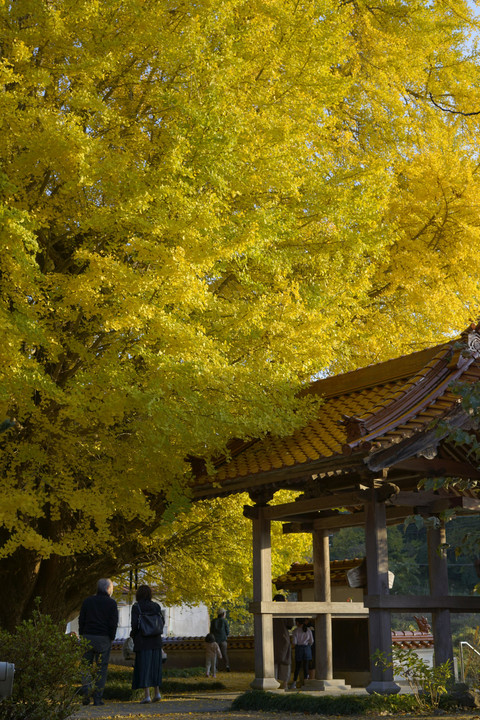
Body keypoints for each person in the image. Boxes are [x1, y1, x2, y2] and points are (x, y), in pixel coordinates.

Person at [79, 578, 118, 706]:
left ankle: (86, 691)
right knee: (101, 668)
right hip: (103, 638)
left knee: (85, 665)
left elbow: (81, 619)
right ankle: (97, 698)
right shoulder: (111, 604)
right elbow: (113, 623)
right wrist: (111, 637)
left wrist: (82, 634)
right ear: (108, 589)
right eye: (112, 588)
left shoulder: (87, 601)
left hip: (88, 636)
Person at [130, 584, 164, 703]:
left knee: (145, 667)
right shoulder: (156, 606)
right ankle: (157, 693)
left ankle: (147, 695)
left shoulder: (137, 607)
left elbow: (134, 624)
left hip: (143, 641)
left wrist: (132, 635)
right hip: (156, 641)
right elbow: (162, 622)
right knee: (155, 667)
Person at [272, 594, 293, 690]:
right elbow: (290, 625)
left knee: (272, 662)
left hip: (271, 638)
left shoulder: (270, 611)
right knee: (285, 661)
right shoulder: (286, 611)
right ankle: (285, 683)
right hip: (284, 638)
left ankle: (273, 682)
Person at [290, 618, 314, 689]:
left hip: (299, 648)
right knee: (306, 666)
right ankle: (306, 684)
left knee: (297, 667)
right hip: (307, 648)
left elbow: (294, 642)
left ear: (297, 622)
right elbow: (311, 641)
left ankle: (294, 683)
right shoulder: (309, 630)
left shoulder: (295, 631)